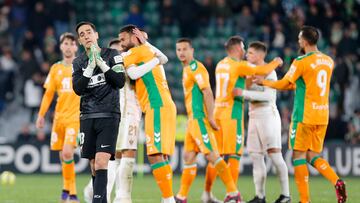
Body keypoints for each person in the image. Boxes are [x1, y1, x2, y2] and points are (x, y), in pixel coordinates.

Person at [254, 25, 347, 203]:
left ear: (304, 41)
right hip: (322, 115)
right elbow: (301, 84)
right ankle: (337, 181)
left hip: (304, 116)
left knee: (298, 156)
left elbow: (284, 83)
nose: (298, 41)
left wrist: (264, 82)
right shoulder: (329, 61)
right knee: (312, 155)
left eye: (299, 38)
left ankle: (304, 201)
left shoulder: (301, 61)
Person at [204, 36, 282, 202]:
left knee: (216, 156)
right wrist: (276, 62)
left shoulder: (221, 64)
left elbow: (239, 82)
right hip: (232, 115)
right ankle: (231, 195)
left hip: (218, 113)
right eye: (244, 48)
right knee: (234, 155)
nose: (245, 51)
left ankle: (207, 194)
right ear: (238, 48)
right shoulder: (238, 65)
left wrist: (246, 81)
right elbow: (261, 71)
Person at [174, 38, 242, 203]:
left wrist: (210, 117)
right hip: (191, 120)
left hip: (199, 119)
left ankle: (234, 193)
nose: (181, 53)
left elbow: (207, 91)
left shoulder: (197, 67)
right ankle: (181, 197)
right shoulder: (186, 69)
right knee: (188, 157)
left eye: (184, 49)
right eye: (178, 50)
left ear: (192, 50)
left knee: (212, 155)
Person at [119, 24, 177, 203]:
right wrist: (155, 57)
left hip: (156, 105)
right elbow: (164, 58)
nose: (121, 44)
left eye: (123, 39)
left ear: (134, 37)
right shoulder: (149, 52)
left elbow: (134, 74)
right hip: (166, 105)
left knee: (154, 155)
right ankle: (167, 198)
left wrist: (152, 55)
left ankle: (169, 200)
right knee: (162, 156)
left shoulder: (132, 54)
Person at [72, 21, 125, 203]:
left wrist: (100, 63)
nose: (86, 36)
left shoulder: (112, 54)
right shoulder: (78, 62)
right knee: (94, 165)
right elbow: (78, 89)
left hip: (109, 115)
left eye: (89, 32)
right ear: (80, 41)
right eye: (82, 34)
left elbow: (119, 81)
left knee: (102, 162)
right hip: (87, 116)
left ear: (97, 35)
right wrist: (89, 67)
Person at [232, 41, 290, 203]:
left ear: (260, 55)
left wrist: (243, 93)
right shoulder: (249, 72)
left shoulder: (270, 73)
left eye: (250, 53)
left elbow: (269, 97)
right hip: (253, 116)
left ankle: (286, 195)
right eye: (247, 52)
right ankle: (260, 196)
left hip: (268, 115)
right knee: (256, 156)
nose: (247, 55)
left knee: (275, 156)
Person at [36, 32, 80, 203]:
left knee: (68, 152)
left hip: (74, 117)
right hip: (59, 118)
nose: (68, 46)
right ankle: (68, 190)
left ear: (76, 47)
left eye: (71, 43)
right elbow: (48, 95)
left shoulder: (81, 66)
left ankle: (71, 192)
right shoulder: (55, 68)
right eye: (66, 43)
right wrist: (41, 115)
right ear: (61, 46)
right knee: (64, 156)